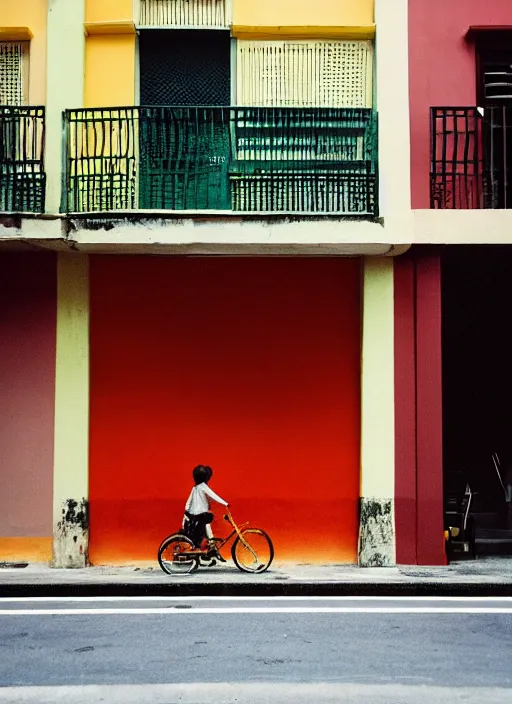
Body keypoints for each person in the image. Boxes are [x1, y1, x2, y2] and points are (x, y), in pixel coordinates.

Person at [182, 465, 228, 562]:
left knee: (207, 528)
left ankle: (211, 551)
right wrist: (226, 503)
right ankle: (212, 550)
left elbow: (188, 502)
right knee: (207, 525)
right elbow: (213, 495)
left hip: (193, 516)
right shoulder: (203, 486)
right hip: (198, 515)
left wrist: (186, 512)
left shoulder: (195, 488)